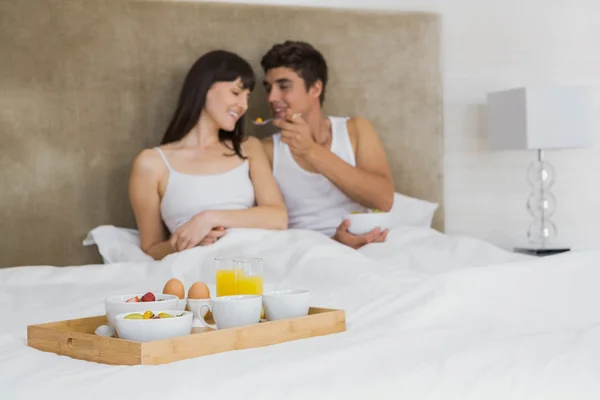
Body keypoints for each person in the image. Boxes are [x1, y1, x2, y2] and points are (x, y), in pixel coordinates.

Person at [129, 50, 287, 260]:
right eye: (236, 92)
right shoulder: (151, 163)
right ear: (205, 87)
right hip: (194, 266)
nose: (244, 105)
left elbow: (278, 217)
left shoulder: (248, 148)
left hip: (254, 259)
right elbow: (151, 248)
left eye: (247, 96)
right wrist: (186, 242)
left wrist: (208, 218)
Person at [260, 41, 394, 249]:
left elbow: (383, 200)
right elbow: (268, 228)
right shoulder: (266, 151)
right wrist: (335, 243)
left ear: (315, 88)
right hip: (307, 253)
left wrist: (311, 151)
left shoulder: (355, 130)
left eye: (284, 86)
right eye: (269, 88)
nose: (271, 97)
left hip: (369, 245)